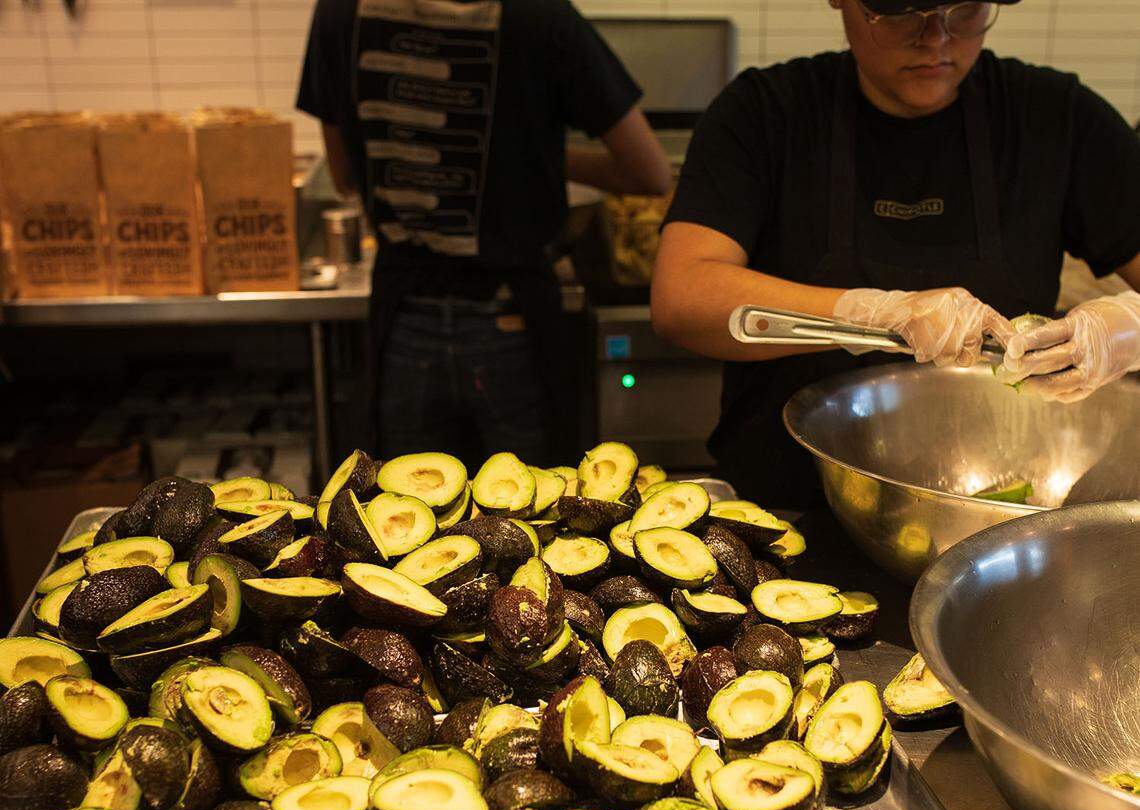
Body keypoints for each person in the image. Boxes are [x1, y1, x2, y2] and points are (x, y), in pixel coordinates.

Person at [651, 0, 1140, 506]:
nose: (936, 37)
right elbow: (681, 295)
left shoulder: (1058, 118)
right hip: (788, 513)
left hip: (1002, 516)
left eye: (966, 9)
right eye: (900, 9)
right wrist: (875, 311)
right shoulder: (764, 112)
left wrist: (1130, 325)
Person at [298, 0, 671, 467]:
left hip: (405, 326)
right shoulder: (541, 17)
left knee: (412, 518)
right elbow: (651, 174)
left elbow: (346, 177)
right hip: (514, 324)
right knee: (529, 521)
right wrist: (536, 155)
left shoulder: (340, 12)